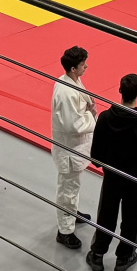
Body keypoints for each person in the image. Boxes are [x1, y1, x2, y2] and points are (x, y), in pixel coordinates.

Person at [86, 73, 137, 271]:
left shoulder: (105, 118)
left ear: (119, 90)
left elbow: (96, 153)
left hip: (112, 175)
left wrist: (104, 164)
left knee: (106, 212)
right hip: (136, 180)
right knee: (132, 217)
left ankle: (98, 253)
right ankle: (124, 257)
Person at [51, 45, 97, 249]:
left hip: (75, 148)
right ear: (72, 68)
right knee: (67, 191)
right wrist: (90, 114)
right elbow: (73, 125)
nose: (86, 67)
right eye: (82, 65)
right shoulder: (66, 92)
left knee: (73, 187)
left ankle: (71, 213)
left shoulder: (70, 81)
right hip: (70, 149)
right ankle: (65, 231)